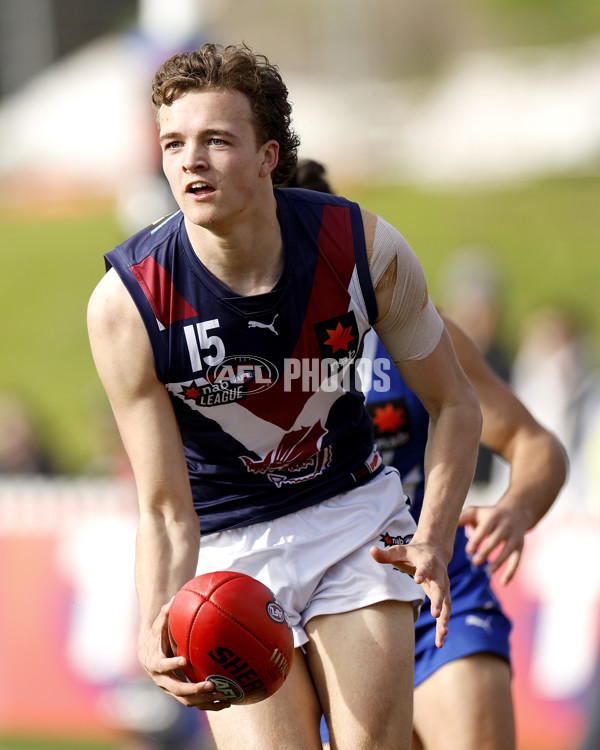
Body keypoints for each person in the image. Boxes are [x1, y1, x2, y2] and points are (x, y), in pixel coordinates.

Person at [87, 43, 482, 750]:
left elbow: (456, 404)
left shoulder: (363, 248)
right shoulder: (126, 304)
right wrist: (154, 621)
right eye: (174, 143)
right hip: (223, 551)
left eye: (216, 140)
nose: (191, 161)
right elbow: (164, 505)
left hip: (351, 519)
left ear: (270, 156)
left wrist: (434, 538)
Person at [287, 161, 568, 750]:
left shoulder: (414, 331)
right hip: (322, 606)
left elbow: (534, 443)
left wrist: (515, 511)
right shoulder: (235, 364)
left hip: (436, 586)